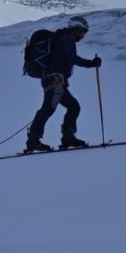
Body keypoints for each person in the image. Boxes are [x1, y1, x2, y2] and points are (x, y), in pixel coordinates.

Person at [26, 15, 102, 152]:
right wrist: (91, 63)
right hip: (55, 80)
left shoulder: (61, 37)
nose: (83, 36)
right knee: (48, 109)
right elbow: (72, 58)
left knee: (73, 106)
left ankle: (68, 137)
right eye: (83, 32)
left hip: (54, 80)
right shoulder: (67, 38)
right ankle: (33, 140)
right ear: (77, 29)